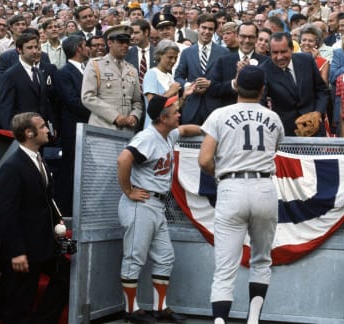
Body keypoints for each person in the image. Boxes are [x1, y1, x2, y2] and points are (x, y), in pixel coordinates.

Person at [198, 65, 285, 324]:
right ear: (262, 89)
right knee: (261, 260)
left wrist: (221, 174)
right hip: (263, 186)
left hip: (231, 185)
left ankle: (220, 321)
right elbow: (275, 149)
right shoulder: (273, 117)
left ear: (236, 85)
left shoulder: (220, 114)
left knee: (226, 266)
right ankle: (253, 320)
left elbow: (204, 160)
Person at [117, 94, 201, 324]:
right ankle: (130, 310)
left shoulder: (167, 134)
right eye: (174, 112)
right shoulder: (147, 138)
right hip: (140, 203)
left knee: (165, 256)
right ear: (163, 118)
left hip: (156, 205)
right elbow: (123, 159)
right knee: (134, 257)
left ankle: (160, 307)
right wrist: (128, 190)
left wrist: (207, 130)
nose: (179, 114)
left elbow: (184, 130)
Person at [0, 112, 70, 323]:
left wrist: (57, 219)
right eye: (43, 126)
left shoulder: (40, 161)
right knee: (19, 304)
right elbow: (7, 213)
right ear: (29, 133)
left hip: (44, 244)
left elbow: (46, 198)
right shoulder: (12, 167)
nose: (48, 129)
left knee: (65, 276)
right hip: (24, 249)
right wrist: (17, 252)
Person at [261, 32, 329, 136]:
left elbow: (322, 90)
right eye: (275, 53)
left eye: (283, 52)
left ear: (292, 49)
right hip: (285, 133)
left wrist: (318, 113)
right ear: (269, 51)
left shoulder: (307, 60)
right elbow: (261, 102)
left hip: (315, 129)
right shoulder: (264, 70)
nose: (279, 57)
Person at [53, 34, 91, 217]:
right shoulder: (63, 73)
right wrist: (98, 113)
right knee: (70, 172)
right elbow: (72, 101)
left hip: (88, 129)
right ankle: (64, 213)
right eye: (85, 45)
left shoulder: (88, 70)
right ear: (78, 48)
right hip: (73, 130)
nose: (88, 48)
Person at [81, 25, 142, 132]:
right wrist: (115, 116)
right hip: (102, 127)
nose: (125, 45)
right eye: (120, 42)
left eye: (127, 42)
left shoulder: (132, 70)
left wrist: (135, 116)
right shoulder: (95, 65)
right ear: (109, 43)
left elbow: (137, 101)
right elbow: (87, 97)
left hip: (127, 130)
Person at [175, 13, 229, 125]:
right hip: (191, 107)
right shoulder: (187, 52)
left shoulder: (224, 53)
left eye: (210, 29)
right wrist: (190, 86)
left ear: (214, 31)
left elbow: (228, 81)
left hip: (215, 108)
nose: (207, 31)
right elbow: (178, 77)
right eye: (204, 28)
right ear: (197, 28)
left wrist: (211, 84)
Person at [0, 32, 58, 130]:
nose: (35, 51)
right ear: (19, 50)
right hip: (21, 131)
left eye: (36, 47)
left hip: (39, 131)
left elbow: (44, 104)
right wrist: (11, 133)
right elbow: (5, 109)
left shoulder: (38, 72)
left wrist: (50, 127)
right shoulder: (10, 75)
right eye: (29, 48)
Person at [209, 22, 268, 107]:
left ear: (256, 39)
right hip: (229, 114)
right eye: (243, 36)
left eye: (251, 37)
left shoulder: (266, 62)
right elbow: (213, 89)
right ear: (237, 36)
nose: (247, 41)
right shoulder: (223, 61)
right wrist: (234, 83)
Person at [142, 39, 185, 128]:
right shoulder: (151, 74)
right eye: (170, 57)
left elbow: (175, 107)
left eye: (175, 58)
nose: (173, 61)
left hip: (168, 128)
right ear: (159, 55)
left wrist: (185, 95)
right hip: (154, 128)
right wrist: (170, 92)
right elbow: (152, 106)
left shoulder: (169, 77)